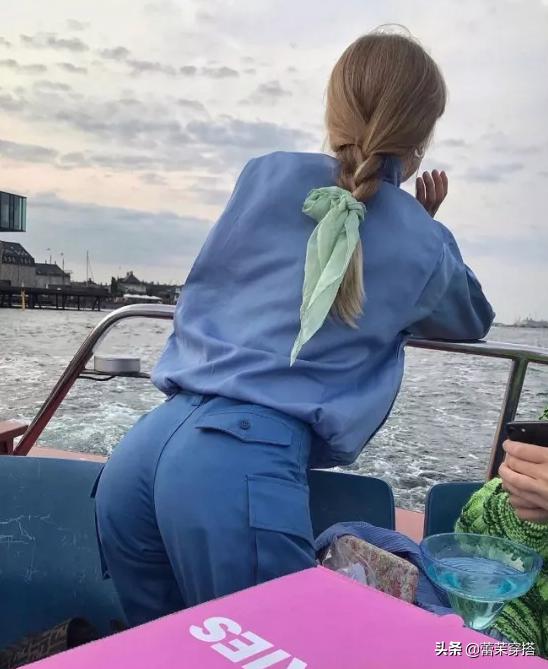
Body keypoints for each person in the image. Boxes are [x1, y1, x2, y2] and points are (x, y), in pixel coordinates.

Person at [95, 28, 494, 627]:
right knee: (280, 650)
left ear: (333, 112)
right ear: (422, 138)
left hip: (143, 451)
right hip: (237, 472)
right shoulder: (422, 242)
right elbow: (471, 319)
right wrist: (426, 224)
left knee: (163, 648)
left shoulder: (261, 175)